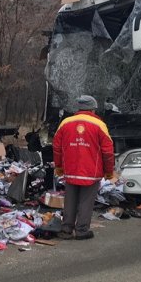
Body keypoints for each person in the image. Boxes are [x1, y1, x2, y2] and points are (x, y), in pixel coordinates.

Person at [53, 95, 114, 240]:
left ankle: (66, 229)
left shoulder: (65, 123)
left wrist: (59, 166)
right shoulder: (99, 125)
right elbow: (108, 151)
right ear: (93, 109)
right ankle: (81, 231)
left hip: (71, 170)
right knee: (86, 201)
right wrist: (109, 171)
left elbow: (56, 147)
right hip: (91, 172)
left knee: (70, 200)